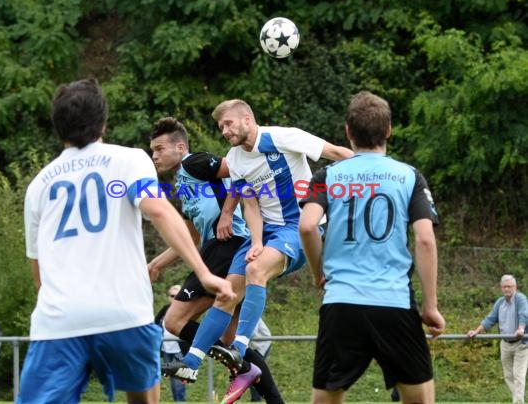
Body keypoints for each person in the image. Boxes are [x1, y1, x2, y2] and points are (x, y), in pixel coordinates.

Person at [19, 78, 234, 404]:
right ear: (103, 122)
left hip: (59, 320)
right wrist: (203, 272)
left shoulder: (38, 186)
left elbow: (39, 273)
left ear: (57, 127)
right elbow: (159, 212)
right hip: (122, 312)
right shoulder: (130, 160)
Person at [198, 98, 353, 403]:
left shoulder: (283, 137)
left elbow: (338, 153)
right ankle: (218, 358)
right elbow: (248, 201)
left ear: (246, 118)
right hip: (268, 234)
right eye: (220, 127)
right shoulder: (236, 158)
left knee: (257, 272)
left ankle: (241, 349)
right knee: (231, 288)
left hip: (301, 229)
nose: (224, 131)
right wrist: (243, 228)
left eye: (228, 123)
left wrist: (368, 174)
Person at [299, 90, 445, 403]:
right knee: (420, 399)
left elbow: (308, 225)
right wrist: (430, 305)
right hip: (394, 302)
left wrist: (318, 271)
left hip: (341, 301)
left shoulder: (328, 175)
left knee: (326, 398)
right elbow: (424, 238)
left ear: (348, 132)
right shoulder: (409, 177)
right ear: (389, 130)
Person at [148, 117, 284, 404]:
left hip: (226, 246)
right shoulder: (182, 185)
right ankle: (270, 395)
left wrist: (227, 213)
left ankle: (241, 369)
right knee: (231, 341)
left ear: (180, 146)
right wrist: (157, 264)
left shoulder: (193, 163)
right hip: (218, 248)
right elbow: (190, 238)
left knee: (174, 321)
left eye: (159, 149)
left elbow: (239, 170)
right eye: (152, 151)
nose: (154, 156)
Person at [468, 274, 528, 404]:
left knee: (518, 375)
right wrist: (476, 331)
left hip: (521, 344)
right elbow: (490, 319)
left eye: (509, 286)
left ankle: (518, 402)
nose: (507, 289)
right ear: (501, 288)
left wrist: (521, 328)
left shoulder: (520, 299)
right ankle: (517, 399)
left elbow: (524, 314)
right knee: (508, 376)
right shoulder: (500, 302)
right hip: (505, 343)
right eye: (504, 287)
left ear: (515, 287)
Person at [155, 285, 188, 402]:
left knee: (179, 382)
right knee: (173, 383)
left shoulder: (186, 310)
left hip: (180, 352)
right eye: (172, 296)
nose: (174, 298)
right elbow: (155, 325)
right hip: (166, 351)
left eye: (176, 295)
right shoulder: (165, 309)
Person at [248, 318, 272, 402]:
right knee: (250, 372)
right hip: (254, 346)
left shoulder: (250, 312)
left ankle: (257, 399)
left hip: (262, 345)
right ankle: (256, 398)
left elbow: (252, 333)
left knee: (254, 372)